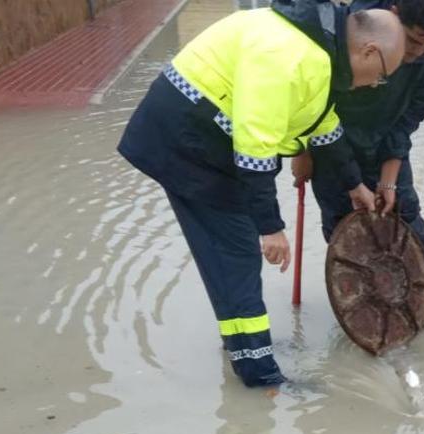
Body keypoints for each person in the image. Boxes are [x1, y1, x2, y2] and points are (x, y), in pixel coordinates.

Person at [117, 0, 406, 388]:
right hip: (186, 142)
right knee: (236, 250)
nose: (374, 84)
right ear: (369, 51)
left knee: (230, 253)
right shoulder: (290, 54)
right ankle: (260, 374)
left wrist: (355, 185)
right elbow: (254, 147)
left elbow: (323, 125)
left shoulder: (318, 52)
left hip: (203, 141)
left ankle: (243, 343)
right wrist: (270, 227)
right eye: (382, 75)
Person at [293, 0, 424, 302]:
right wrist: (302, 152)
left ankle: (423, 312)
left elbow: (406, 123)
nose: (417, 52)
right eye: (413, 40)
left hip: (386, 147)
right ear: (393, 16)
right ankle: (360, 311)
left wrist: (389, 180)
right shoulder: (351, 32)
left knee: (407, 222)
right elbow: (309, 98)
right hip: (331, 145)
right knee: (345, 229)